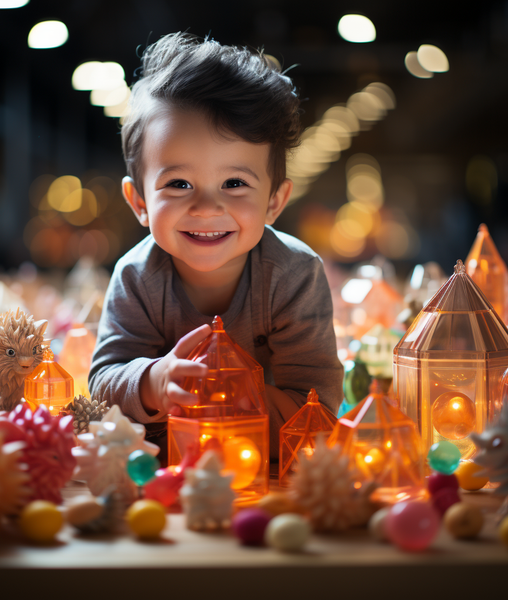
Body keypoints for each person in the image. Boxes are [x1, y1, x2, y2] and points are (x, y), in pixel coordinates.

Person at [89, 33, 343, 457]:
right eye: (179, 183)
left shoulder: (294, 274)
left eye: (234, 183)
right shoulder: (137, 276)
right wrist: (153, 381)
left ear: (274, 202)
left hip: (263, 473)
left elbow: (317, 412)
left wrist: (225, 394)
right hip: (164, 472)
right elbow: (103, 386)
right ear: (139, 203)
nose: (207, 207)